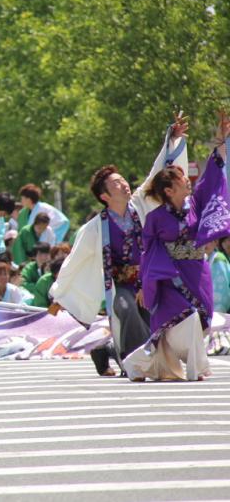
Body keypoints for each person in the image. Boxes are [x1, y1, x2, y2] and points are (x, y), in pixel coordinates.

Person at [50, 114, 189, 377]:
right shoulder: (95, 228)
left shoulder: (140, 203)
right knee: (126, 309)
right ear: (104, 196)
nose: (124, 183)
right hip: (120, 286)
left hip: (148, 280)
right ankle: (139, 362)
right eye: (116, 183)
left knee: (160, 318)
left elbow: (156, 174)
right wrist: (58, 295)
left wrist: (171, 140)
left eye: (123, 179)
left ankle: (110, 350)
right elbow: (75, 260)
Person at [124, 117, 230, 382]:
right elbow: (149, 253)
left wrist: (221, 141)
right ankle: (198, 369)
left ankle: (142, 364)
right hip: (169, 279)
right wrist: (145, 284)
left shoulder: (195, 204)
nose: (188, 181)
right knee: (187, 319)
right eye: (182, 179)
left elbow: (211, 178)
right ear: (169, 190)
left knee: (198, 322)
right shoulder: (155, 218)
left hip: (197, 273)